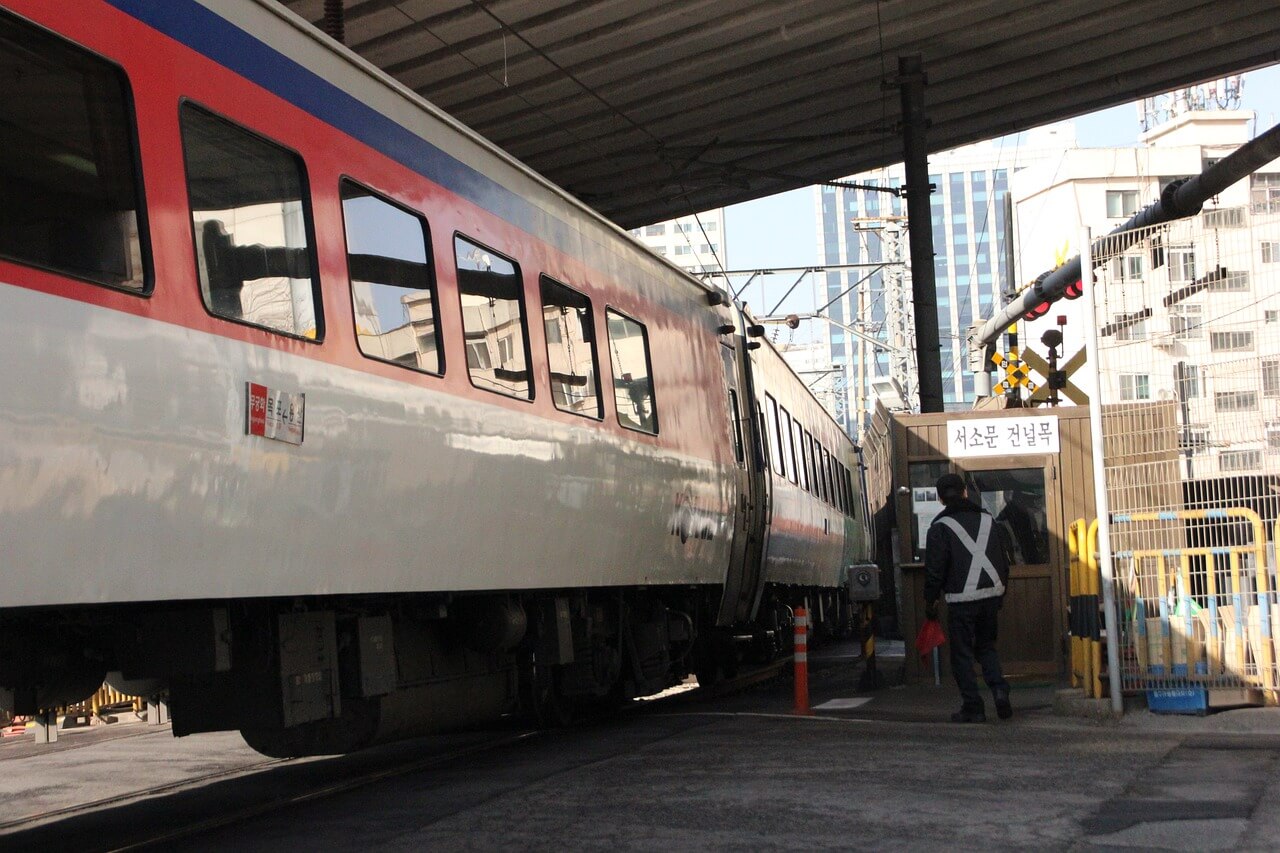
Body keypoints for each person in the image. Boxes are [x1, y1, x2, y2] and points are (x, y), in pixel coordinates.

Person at [924, 473, 1013, 723]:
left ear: (940, 499)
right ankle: (999, 691)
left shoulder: (940, 527)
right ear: (965, 492)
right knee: (986, 647)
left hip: (961, 600)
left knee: (962, 654)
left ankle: (973, 707)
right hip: (991, 595)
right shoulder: (989, 520)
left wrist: (931, 601)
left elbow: (934, 570)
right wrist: (1001, 591)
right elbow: (1005, 561)